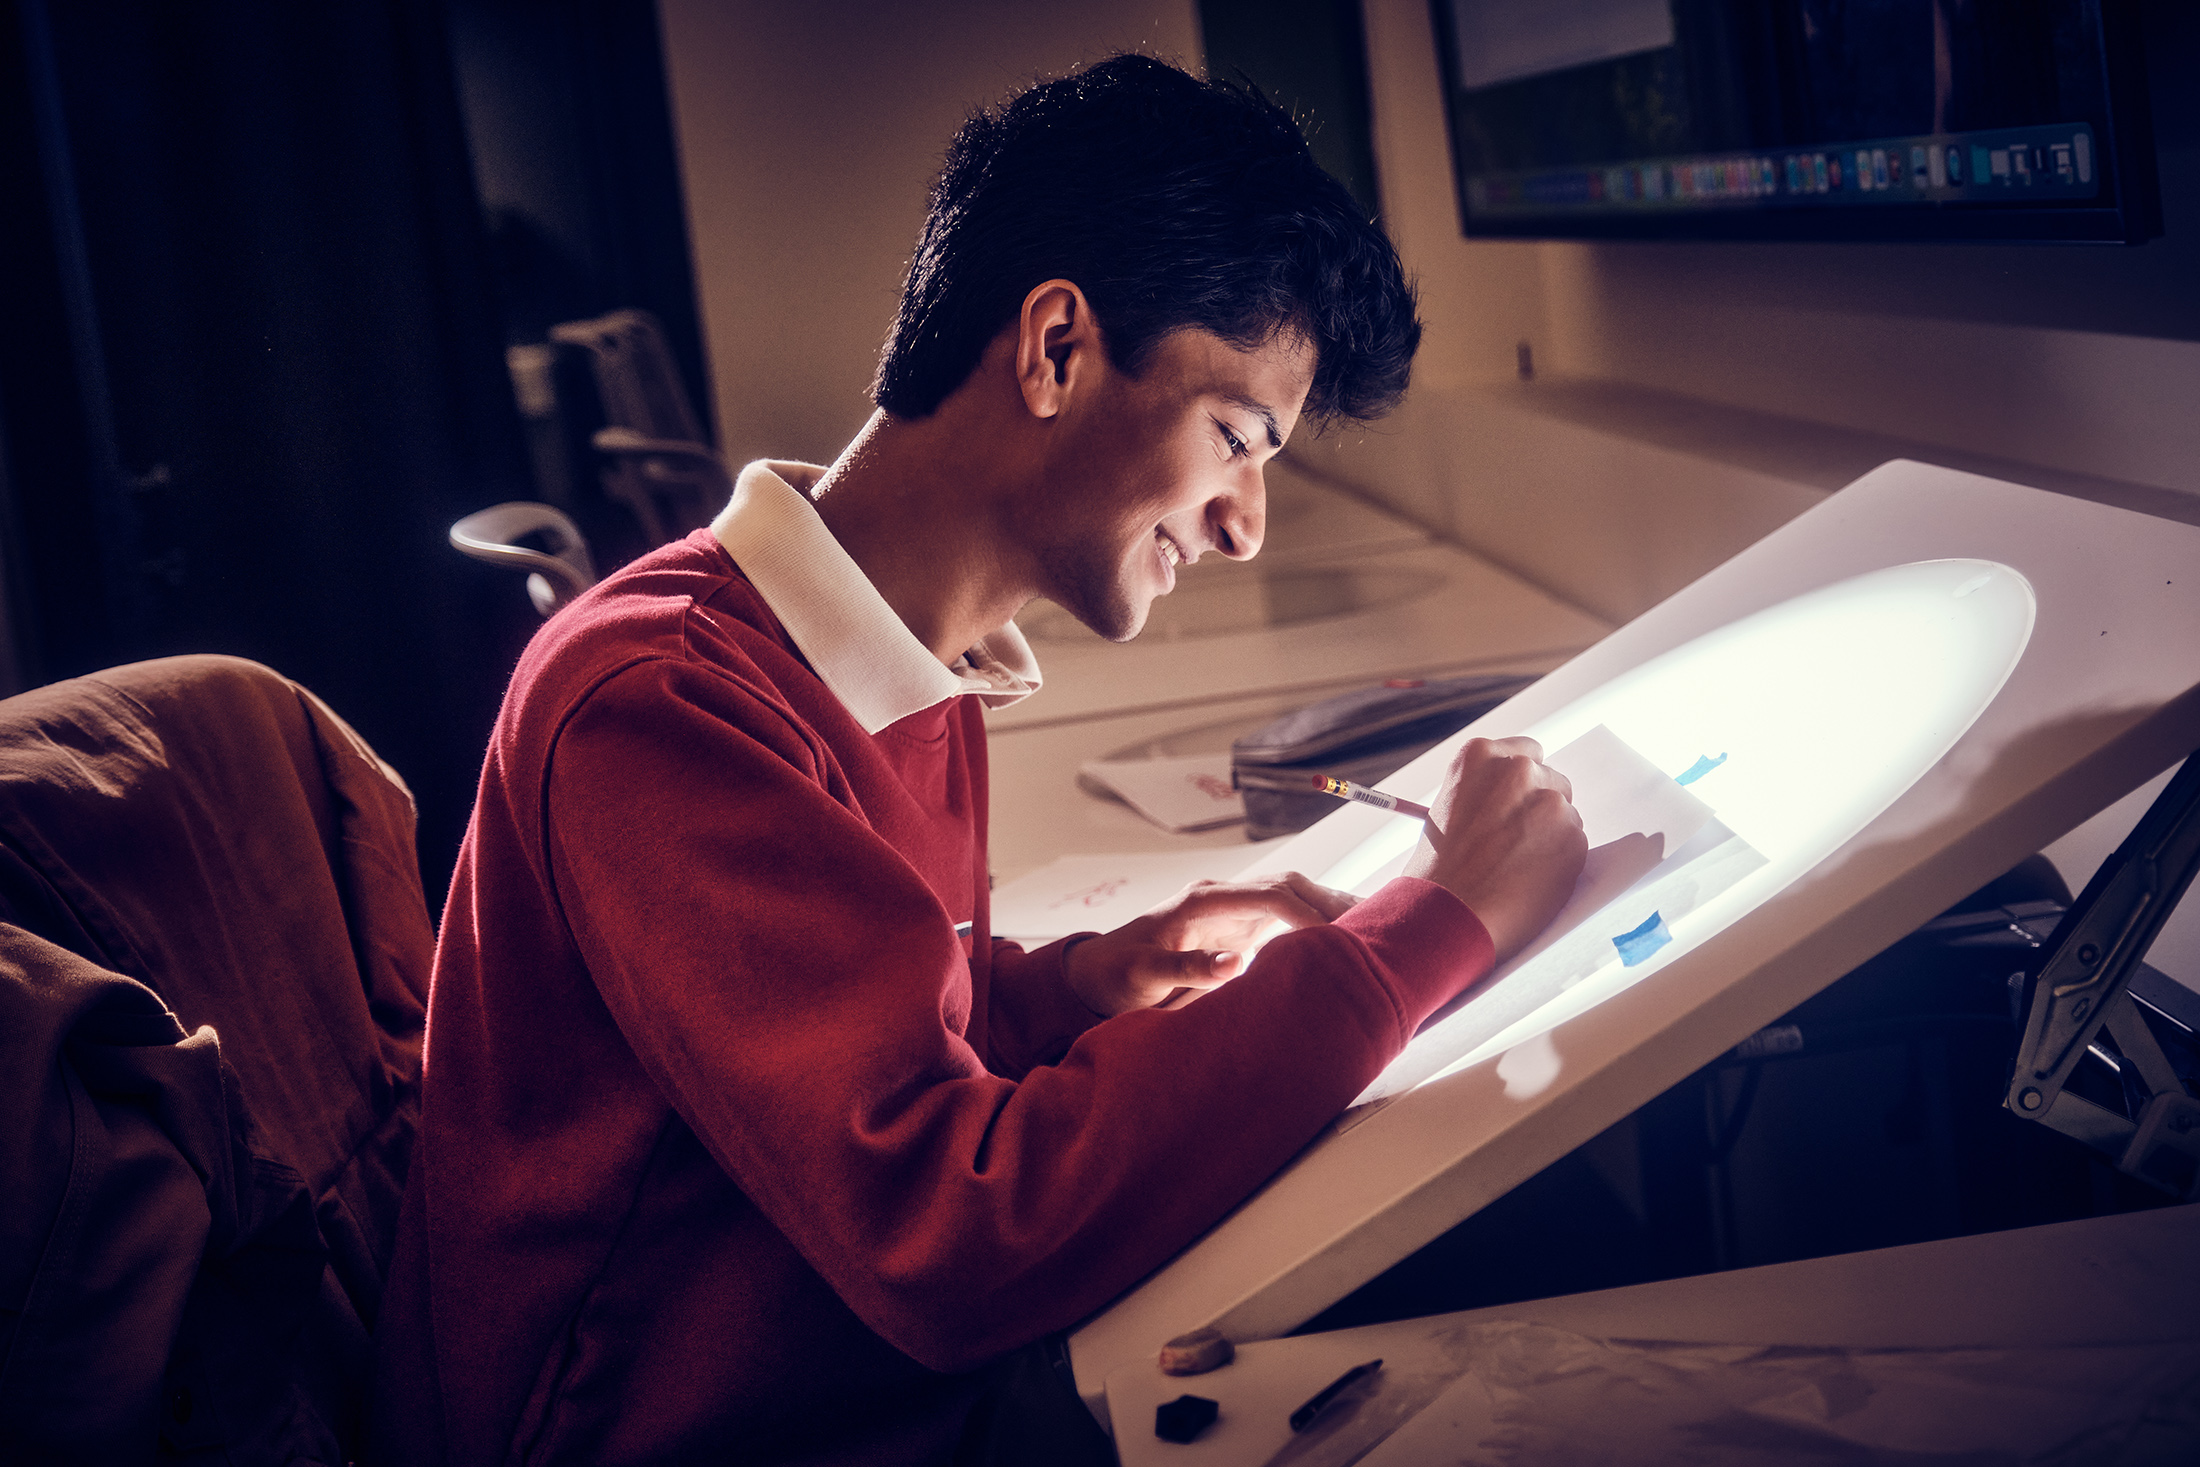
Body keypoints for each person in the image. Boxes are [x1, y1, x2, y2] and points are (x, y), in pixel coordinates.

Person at [371, 53, 1584, 1467]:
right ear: (1058, 348)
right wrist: (1425, 934)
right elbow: (943, 1235)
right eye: (1235, 439)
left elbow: (861, 1028)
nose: (1245, 521)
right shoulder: (666, 706)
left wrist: (1072, 986)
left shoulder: (902, 655)